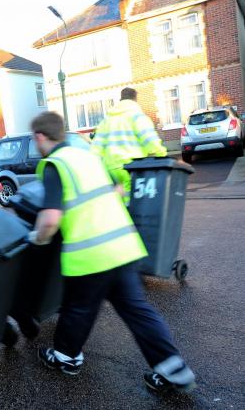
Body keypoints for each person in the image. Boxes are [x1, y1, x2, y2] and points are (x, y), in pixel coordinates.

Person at [28, 111, 195, 393]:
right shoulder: (89, 158)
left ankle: (66, 357)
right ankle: (174, 369)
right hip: (124, 247)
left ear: (40, 137)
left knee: (78, 309)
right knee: (137, 311)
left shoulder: (54, 164)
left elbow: (50, 219)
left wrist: (38, 239)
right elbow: (117, 189)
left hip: (90, 254)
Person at [92, 88, 167, 203]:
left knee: (117, 200)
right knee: (132, 202)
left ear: (120, 99)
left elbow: (96, 149)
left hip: (111, 169)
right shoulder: (137, 116)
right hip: (132, 167)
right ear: (135, 100)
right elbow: (149, 139)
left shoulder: (106, 120)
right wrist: (162, 155)